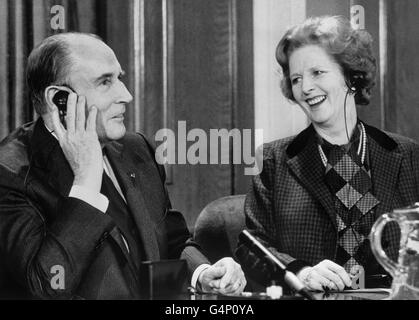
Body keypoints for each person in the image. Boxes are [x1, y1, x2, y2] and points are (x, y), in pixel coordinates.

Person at [0, 32, 246, 299]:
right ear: (59, 99)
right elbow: (47, 285)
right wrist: (86, 182)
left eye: (120, 78)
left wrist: (202, 272)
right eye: (105, 82)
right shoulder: (9, 173)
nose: (126, 95)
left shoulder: (136, 149)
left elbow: (171, 240)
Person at [236, 16, 419, 292]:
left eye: (317, 73)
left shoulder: (408, 155)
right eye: (296, 79)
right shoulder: (273, 160)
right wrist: (301, 272)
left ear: (351, 77)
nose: (305, 88)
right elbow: (252, 247)